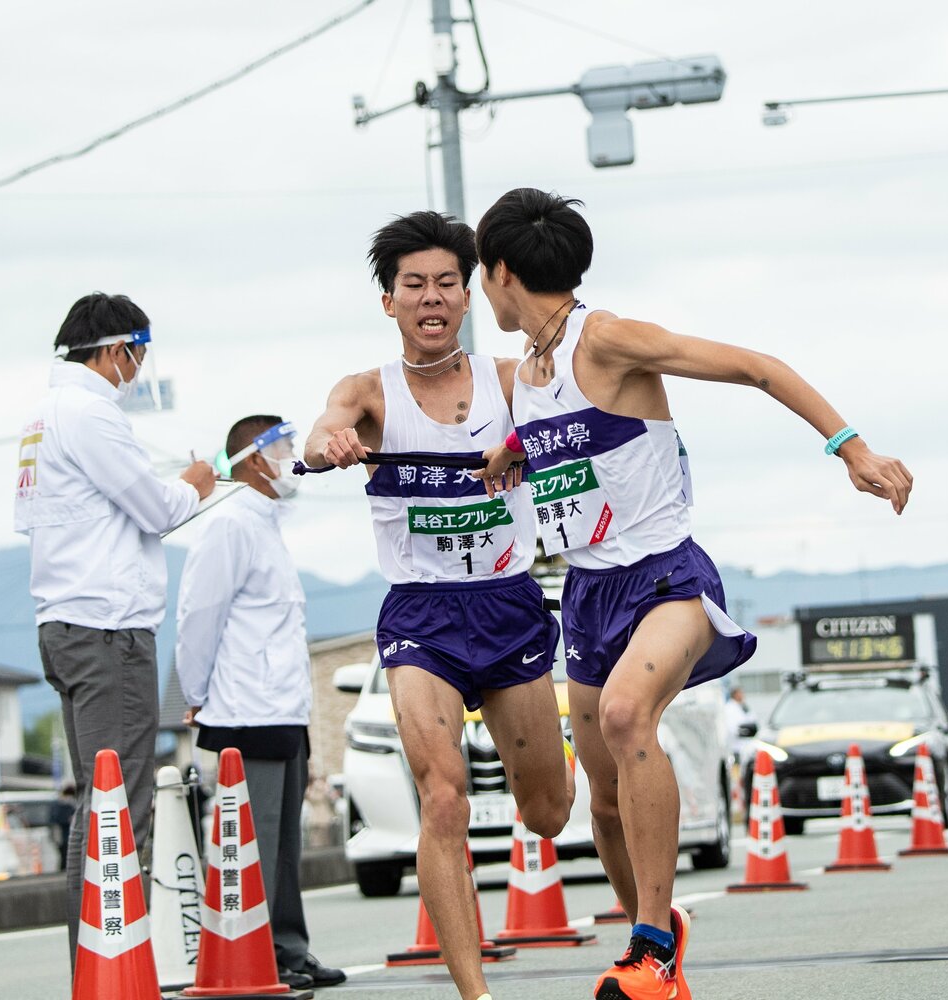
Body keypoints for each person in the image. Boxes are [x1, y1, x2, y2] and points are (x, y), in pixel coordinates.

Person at [474, 188, 913, 1000]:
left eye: (477, 277)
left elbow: (757, 367)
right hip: (588, 591)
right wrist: (511, 448)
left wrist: (852, 448)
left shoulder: (602, 337)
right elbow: (566, 436)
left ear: (501, 272)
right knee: (600, 801)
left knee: (623, 715)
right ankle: (652, 936)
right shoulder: (528, 375)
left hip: (664, 575)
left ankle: (653, 950)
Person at [302, 211, 570, 1000]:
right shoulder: (367, 392)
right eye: (413, 285)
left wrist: (522, 445)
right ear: (389, 302)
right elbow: (323, 432)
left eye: (446, 283)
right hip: (421, 615)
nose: (430, 298)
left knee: (548, 812)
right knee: (443, 793)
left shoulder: (514, 382)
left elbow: (579, 425)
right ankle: (475, 994)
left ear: (469, 294)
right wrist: (335, 445)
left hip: (510, 605)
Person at [14, 292, 216, 963]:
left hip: (64, 623)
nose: (138, 369)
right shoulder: (91, 413)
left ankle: (95, 965)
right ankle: (112, 968)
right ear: (113, 350)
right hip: (108, 630)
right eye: (138, 354)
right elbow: (155, 509)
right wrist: (195, 484)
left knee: (93, 808)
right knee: (122, 810)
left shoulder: (45, 416)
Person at [176, 416, 344, 990]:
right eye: (282, 448)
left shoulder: (268, 525)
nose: (292, 457)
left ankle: (289, 950)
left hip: (283, 708)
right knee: (254, 841)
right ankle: (260, 954)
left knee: (284, 844)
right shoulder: (229, 525)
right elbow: (198, 618)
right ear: (252, 458)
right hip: (244, 710)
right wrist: (194, 694)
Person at [723, 686, 757, 766]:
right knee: (737, 769)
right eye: (740, 693)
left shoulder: (743, 706)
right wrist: (743, 732)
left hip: (747, 745)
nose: (742, 695)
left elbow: (752, 720)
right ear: (735, 695)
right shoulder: (730, 708)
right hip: (736, 746)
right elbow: (732, 727)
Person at [50, 784, 77, 870]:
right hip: (64, 835)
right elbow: (59, 819)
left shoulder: (58, 804)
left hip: (62, 835)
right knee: (65, 854)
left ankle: (64, 869)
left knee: (64, 855)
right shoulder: (68, 805)